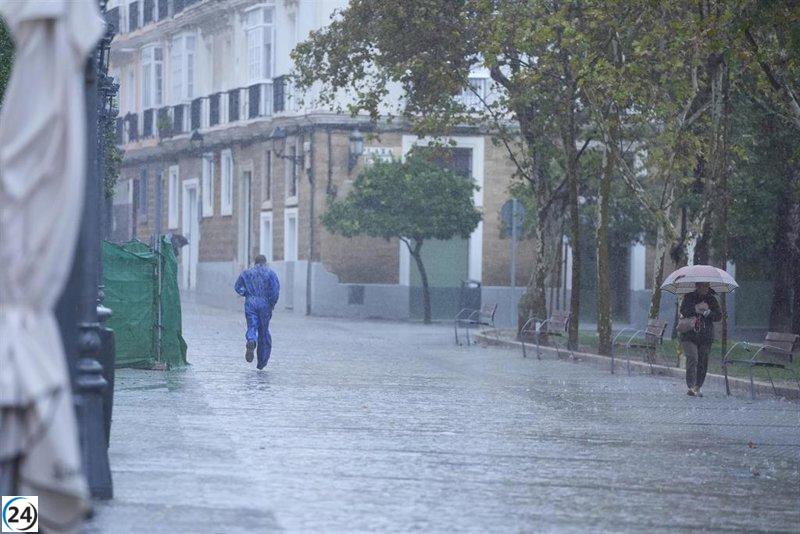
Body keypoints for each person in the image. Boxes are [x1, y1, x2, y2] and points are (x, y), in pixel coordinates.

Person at [234, 255, 280, 369]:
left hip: (251, 302)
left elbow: (238, 287)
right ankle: (262, 362)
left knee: (252, 325)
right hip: (265, 304)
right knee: (264, 331)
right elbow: (275, 291)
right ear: (265, 262)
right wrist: (272, 303)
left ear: (255, 262)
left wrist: (246, 293)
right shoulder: (271, 274)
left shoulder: (247, 273)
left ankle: (251, 340)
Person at [679, 282, 721, 397]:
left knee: (703, 361)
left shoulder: (711, 299)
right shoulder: (689, 297)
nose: (706, 288)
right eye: (703, 286)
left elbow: (718, 316)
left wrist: (707, 312)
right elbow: (683, 311)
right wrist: (696, 309)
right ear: (697, 286)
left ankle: (698, 386)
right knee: (692, 357)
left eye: (707, 285)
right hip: (689, 334)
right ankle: (691, 386)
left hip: (705, 336)